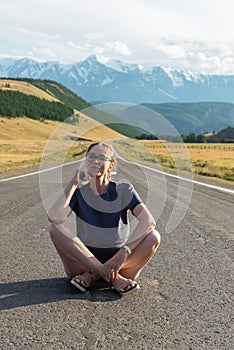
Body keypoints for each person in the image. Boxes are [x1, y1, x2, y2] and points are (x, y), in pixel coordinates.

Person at [48, 142, 160, 296]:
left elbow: (149, 221)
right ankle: (108, 275)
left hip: (120, 262)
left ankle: (95, 275)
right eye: (91, 157)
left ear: (111, 165)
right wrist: (74, 182)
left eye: (102, 158)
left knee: (154, 236)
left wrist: (123, 252)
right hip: (83, 261)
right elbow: (54, 217)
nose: (95, 161)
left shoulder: (123, 190)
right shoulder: (79, 192)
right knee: (55, 228)